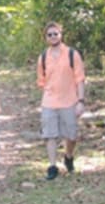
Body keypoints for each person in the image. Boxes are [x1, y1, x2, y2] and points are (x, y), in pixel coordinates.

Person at [36, 22, 85, 181]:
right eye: (49, 34)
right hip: (49, 101)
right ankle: (52, 166)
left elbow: (80, 79)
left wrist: (80, 101)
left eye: (55, 33)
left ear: (61, 34)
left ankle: (68, 156)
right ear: (45, 38)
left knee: (71, 135)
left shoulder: (72, 54)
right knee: (50, 135)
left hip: (69, 100)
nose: (53, 37)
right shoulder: (43, 57)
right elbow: (41, 81)